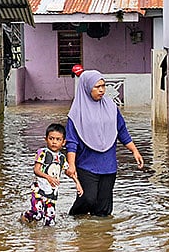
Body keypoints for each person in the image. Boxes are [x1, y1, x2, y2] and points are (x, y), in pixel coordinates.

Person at [65, 69, 144, 217]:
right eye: (97, 87)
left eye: (103, 85)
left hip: (108, 164)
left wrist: (134, 151)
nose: (101, 90)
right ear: (86, 88)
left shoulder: (111, 107)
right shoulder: (76, 113)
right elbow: (72, 141)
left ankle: (102, 236)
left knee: (104, 207)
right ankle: (75, 223)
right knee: (88, 198)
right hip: (86, 164)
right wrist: (71, 164)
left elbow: (121, 130)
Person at [21, 123, 82, 226]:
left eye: (58, 139)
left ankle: (48, 239)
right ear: (46, 139)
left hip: (52, 194)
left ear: (63, 142)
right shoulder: (42, 153)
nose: (54, 142)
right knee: (38, 214)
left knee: (50, 221)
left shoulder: (62, 158)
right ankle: (26, 216)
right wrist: (47, 177)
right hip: (38, 191)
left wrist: (77, 183)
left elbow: (69, 172)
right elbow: (36, 170)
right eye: (51, 138)